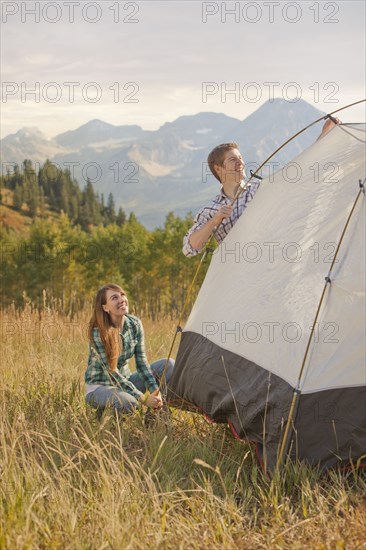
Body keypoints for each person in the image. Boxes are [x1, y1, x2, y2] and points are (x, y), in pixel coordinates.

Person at [182, 118, 340, 257]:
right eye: (233, 160)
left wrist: (325, 134)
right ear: (218, 169)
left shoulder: (260, 188)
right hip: (237, 276)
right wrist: (214, 221)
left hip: (272, 266)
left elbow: (300, 175)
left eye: (241, 158)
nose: (241, 163)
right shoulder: (211, 209)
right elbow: (189, 248)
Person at [85, 283, 174, 414]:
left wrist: (155, 393)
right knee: (130, 403)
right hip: (100, 387)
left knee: (168, 364)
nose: (121, 300)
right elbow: (112, 373)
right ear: (105, 307)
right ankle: (104, 416)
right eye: (114, 298)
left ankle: (154, 417)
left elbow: (142, 364)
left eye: (122, 295)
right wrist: (143, 398)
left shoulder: (134, 324)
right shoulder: (98, 332)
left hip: (125, 382)